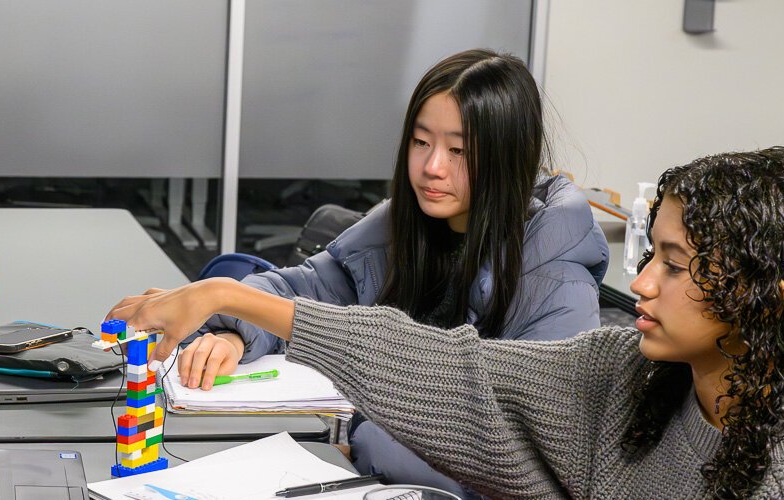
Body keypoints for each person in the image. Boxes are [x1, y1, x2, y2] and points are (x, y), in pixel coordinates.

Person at [111, 148, 784, 498]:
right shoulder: (632, 380)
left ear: (765, 296)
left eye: (673, 265)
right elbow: (452, 373)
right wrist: (241, 299)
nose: (640, 283)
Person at [174, 49, 607, 492]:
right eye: (421, 142)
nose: (431, 167)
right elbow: (300, 288)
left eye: (459, 150)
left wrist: (362, 437)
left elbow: (512, 461)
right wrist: (236, 332)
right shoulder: (400, 225)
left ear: (508, 156)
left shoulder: (559, 288)